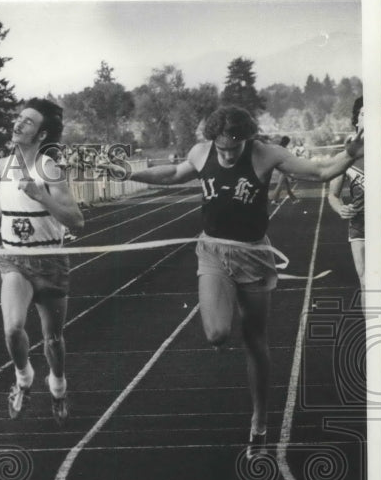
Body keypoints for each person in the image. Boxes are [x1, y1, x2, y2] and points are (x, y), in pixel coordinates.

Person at [102, 105, 364, 458]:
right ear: (212, 140)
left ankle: (259, 420)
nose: (226, 154)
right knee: (217, 334)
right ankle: (229, 346)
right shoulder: (201, 151)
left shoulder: (265, 154)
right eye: (221, 148)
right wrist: (130, 175)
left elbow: (319, 171)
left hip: (253, 254)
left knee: (255, 339)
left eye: (233, 148)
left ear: (247, 138)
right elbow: (174, 174)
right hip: (213, 250)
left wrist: (351, 153)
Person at [0, 98, 84, 424]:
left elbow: (76, 220)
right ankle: (23, 378)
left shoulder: (49, 170)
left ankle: (57, 386)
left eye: (28, 122)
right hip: (13, 258)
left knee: (53, 338)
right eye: (19, 117)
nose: (18, 123)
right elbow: (12, 197)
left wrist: (41, 196)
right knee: (13, 329)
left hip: (50, 259)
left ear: (41, 135)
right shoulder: (2, 165)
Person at [327, 97, 365, 298]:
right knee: (367, 282)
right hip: (360, 226)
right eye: (363, 114)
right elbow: (333, 195)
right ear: (356, 120)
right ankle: (373, 330)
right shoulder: (348, 154)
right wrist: (340, 207)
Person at [269, 136, 299, 203]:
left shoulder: (278, 148)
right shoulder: (283, 149)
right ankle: (274, 200)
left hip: (280, 167)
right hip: (283, 168)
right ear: (287, 142)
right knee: (280, 184)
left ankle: (293, 198)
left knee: (287, 184)